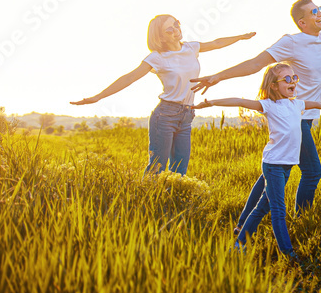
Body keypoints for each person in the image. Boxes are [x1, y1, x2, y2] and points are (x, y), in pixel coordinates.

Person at [191, 0, 321, 223]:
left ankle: (243, 222)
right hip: (292, 116)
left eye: (320, 9)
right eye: (314, 11)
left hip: (305, 115)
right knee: (312, 171)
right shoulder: (291, 42)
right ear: (302, 22)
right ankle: (303, 221)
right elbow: (256, 64)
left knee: (274, 171)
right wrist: (218, 76)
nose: (320, 13)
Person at [71, 14, 255, 175]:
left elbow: (216, 43)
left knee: (180, 169)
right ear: (160, 37)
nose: (176, 30)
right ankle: (146, 207)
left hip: (187, 114)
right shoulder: (157, 57)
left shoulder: (191, 48)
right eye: (169, 29)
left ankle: (172, 206)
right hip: (165, 116)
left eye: (176, 23)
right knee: (157, 168)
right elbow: (130, 77)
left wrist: (240, 37)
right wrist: (98, 97)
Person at [195, 63, 321, 258]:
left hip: (286, 165)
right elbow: (240, 101)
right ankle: (288, 253)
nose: (293, 82)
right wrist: (212, 102)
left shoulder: (296, 104)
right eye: (287, 79)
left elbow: (314, 104)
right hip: (273, 165)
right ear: (273, 86)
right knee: (278, 210)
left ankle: (239, 244)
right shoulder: (268, 105)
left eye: (294, 78)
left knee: (262, 206)